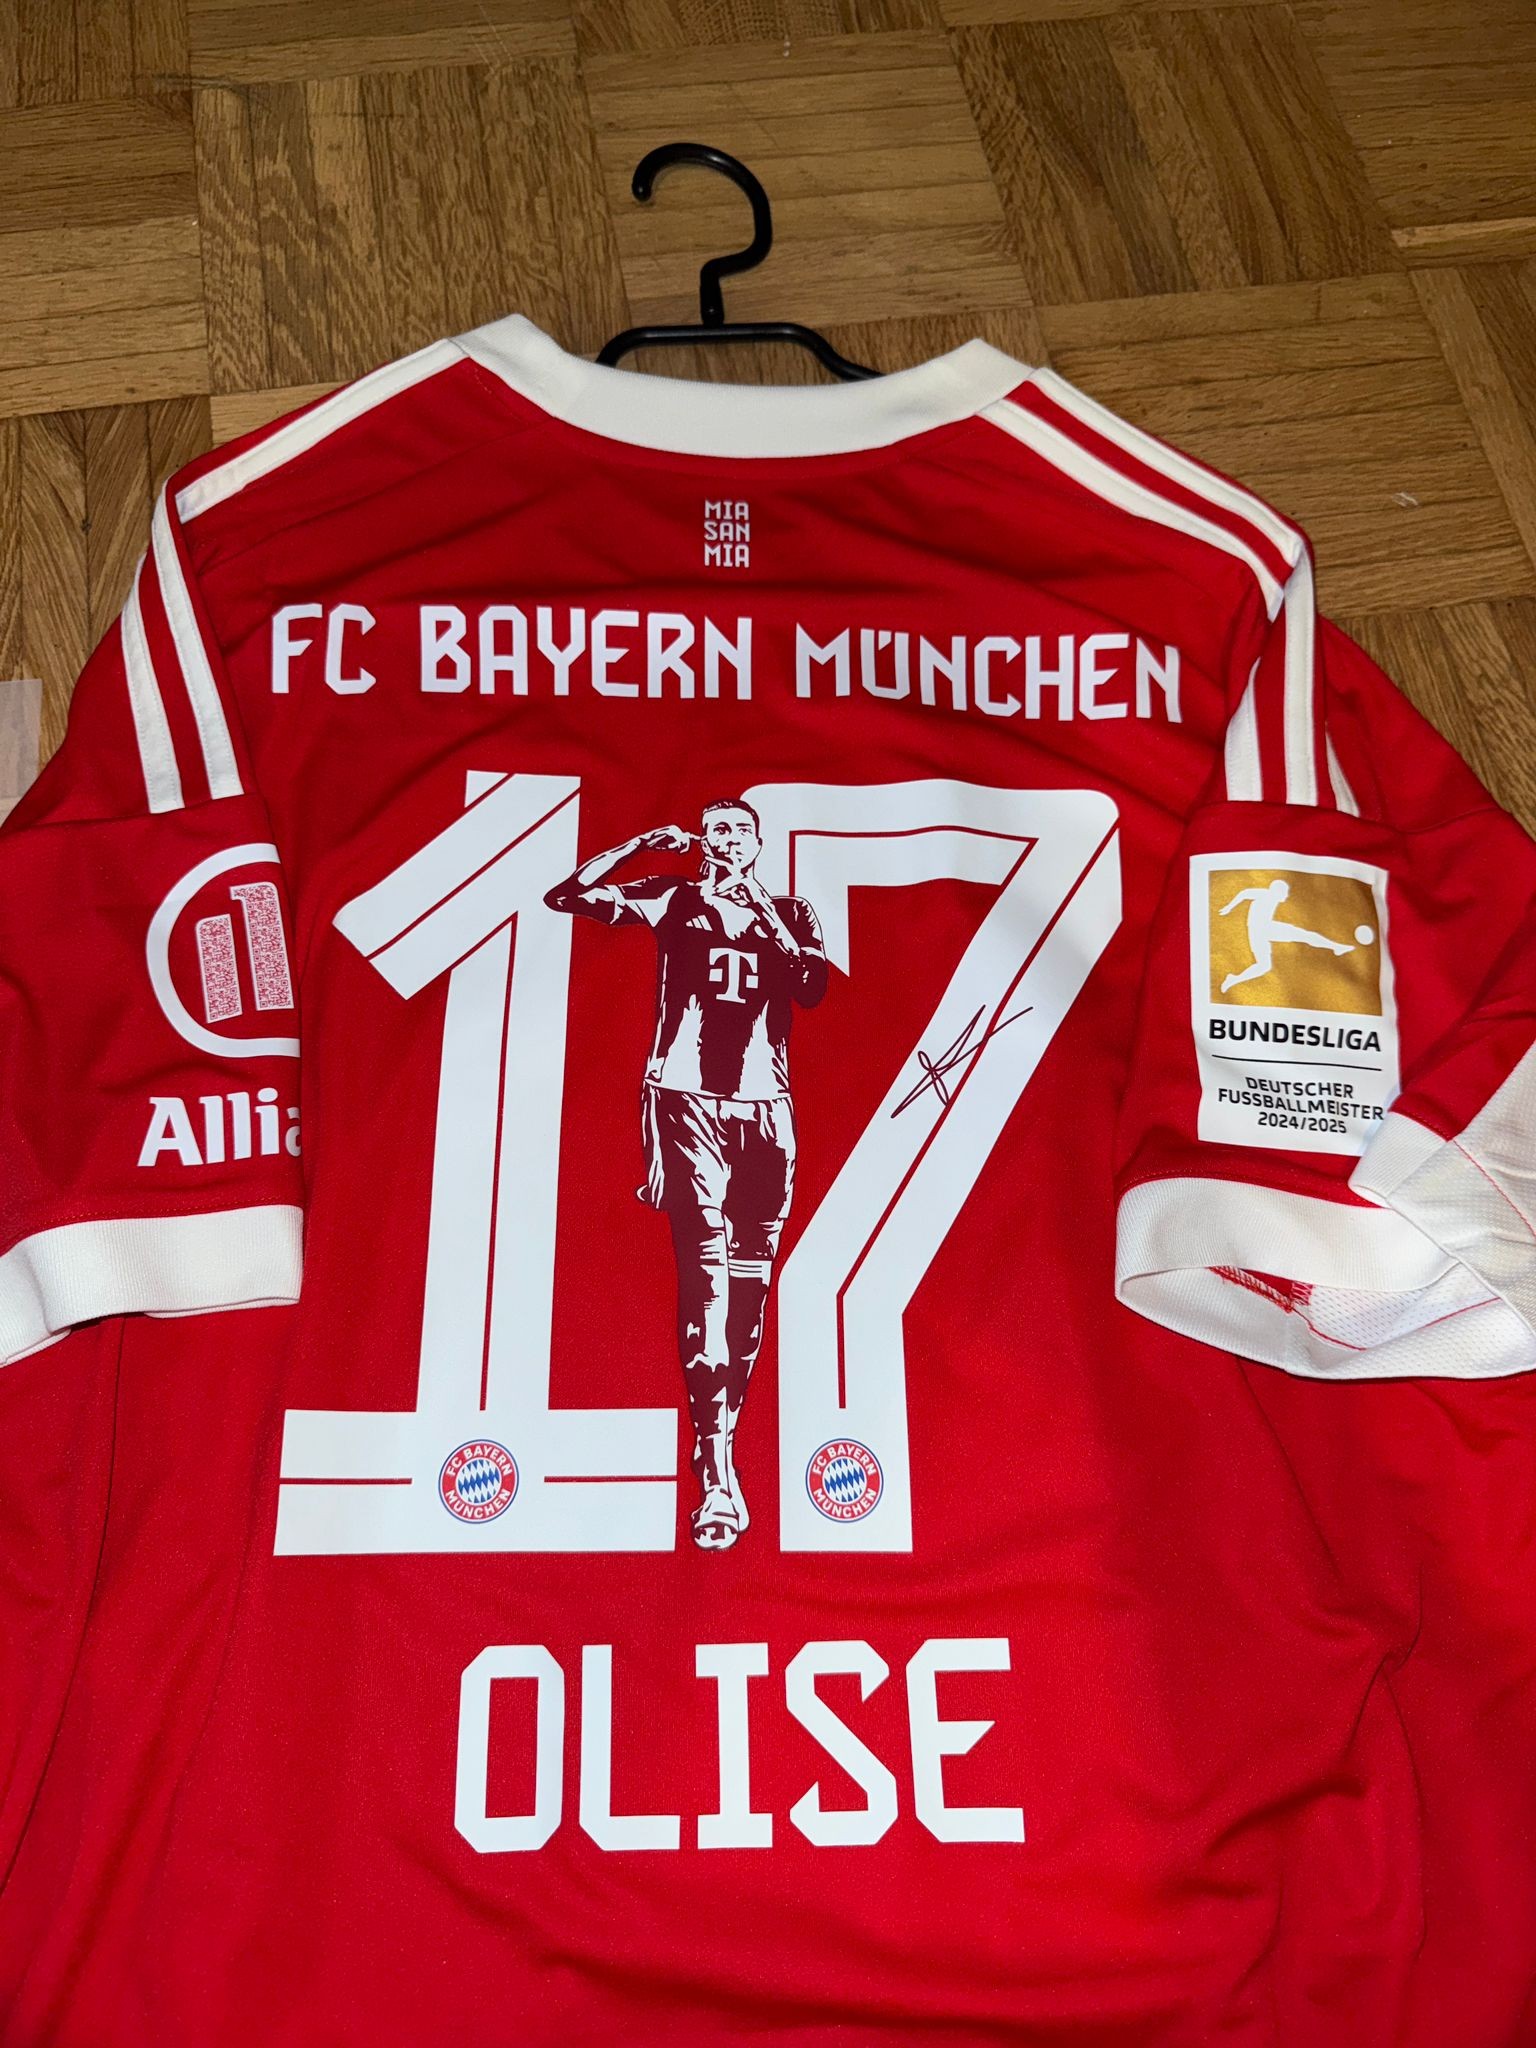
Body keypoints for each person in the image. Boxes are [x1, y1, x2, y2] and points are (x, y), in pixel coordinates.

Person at [545, 799, 828, 1550]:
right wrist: (642, 841)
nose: (729, 840)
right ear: (702, 839)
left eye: (741, 831)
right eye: (718, 829)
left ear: (759, 843)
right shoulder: (674, 897)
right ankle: (718, 1470)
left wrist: (762, 909)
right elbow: (566, 895)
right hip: (685, 1099)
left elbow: (811, 987)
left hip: (767, 1112)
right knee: (704, 1274)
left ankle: (719, 1436)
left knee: (750, 1287)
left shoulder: (791, 912)